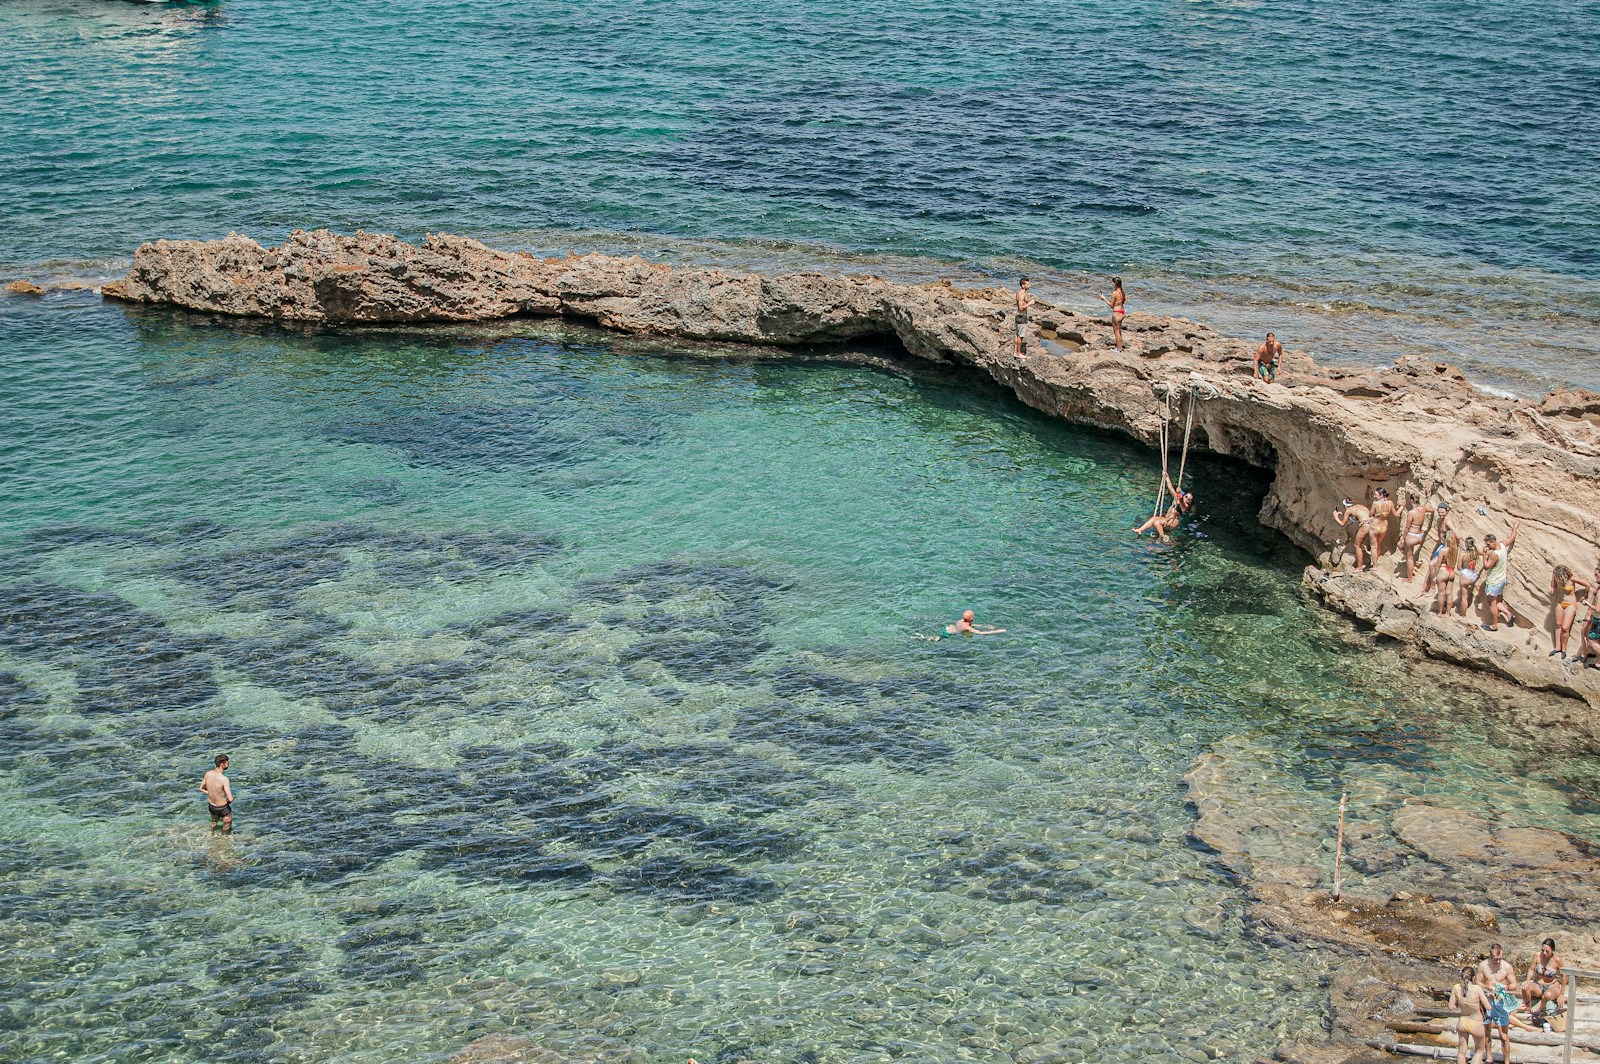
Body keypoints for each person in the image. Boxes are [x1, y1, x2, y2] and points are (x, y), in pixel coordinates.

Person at [1479, 944, 1534, 1063]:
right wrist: (1488, 987)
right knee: (1486, 1031)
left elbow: (1514, 985)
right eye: (1495, 959)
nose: (1497, 961)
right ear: (1490, 955)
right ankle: (1489, 1056)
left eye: (1500, 958)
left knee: (1503, 1035)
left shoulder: (1507, 967)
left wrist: (1505, 986)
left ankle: (1507, 1061)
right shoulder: (1483, 966)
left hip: (1501, 1004)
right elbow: (1477, 982)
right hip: (1487, 1001)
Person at [1480, 519, 1523, 632]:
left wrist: (1484, 555)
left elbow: (1487, 566)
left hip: (1493, 582)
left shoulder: (1494, 555)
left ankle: (1494, 625)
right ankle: (1509, 615)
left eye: (1488, 544)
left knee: (1492, 603)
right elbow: (1512, 538)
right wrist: (1515, 526)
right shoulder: (1503, 546)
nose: (1487, 546)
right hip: (1502, 580)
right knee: (1496, 601)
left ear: (1493, 542)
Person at [1132, 470, 1194, 543]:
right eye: (1186, 496)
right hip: (1166, 519)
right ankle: (1140, 530)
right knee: (1153, 518)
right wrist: (1167, 478)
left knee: (1156, 523)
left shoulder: (1185, 506)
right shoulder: (1177, 498)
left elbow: (1181, 502)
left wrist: (1179, 493)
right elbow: (1170, 488)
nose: (1186, 498)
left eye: (1189, 499)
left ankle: (1162, 536)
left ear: (1189, 501)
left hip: (1172, 522)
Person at [1549, 564, 1591, 658]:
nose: (1559, 579)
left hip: (1570, 604)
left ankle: (1564, 649)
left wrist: (1585, 595)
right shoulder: (1557, 575)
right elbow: (1553, 575)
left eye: (1560, 577)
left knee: (1565, 627)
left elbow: (1587, 585)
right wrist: (1553, 587)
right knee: (1558, 625)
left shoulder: (1572, 579)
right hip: (1559, 603)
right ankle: (1557, 647)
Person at [1450, 964, 1489, 1064]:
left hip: (1462, 1022)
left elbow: (1451, 1007)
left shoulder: (1456, 988)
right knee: (1479, 1051)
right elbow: (1488, 1007)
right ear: (1474, 977)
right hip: (1476, 1023)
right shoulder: (1477, 989)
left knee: (1461, 1051)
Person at [1521, 938, 1565, 1021]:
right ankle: (1528, 1006)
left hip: (1552, 985)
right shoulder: (1537, 955)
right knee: (1524, 987)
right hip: (1538, 985)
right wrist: (1527, 980)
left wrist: (1561, 994)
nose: (1544, 953)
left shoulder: (1557, 960)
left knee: (1547, 995)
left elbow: (1564, 976)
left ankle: (1540, 1008)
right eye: (1543, 950)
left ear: (1552, 950)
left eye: (1547, 951)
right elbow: (1531, 969)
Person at [1421, 503, 1461, 593]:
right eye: (1439, 512)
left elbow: (1458, 536)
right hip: (1442, 545)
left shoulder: (1448, 522)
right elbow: (1440, 532)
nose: (1440, 514)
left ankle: (1433, 586)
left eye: (1442, 512)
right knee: (1431, 566)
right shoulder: (1439, 520)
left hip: (1447, 546)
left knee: (1432, 564)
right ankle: (1423, 589)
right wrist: (1440, 540)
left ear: (1447, 511)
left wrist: (1454, 547)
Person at [1333, 496, 1375, 572]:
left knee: (1357, 545)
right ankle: (1375, 565)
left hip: (1365, 525)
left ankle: (1359, 567)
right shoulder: (1361, 506)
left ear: (1345, 505)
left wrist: (1336, 517)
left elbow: (1343, 524)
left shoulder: (1348, 510)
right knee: (1374, 545)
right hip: (1373, 523)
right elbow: (1357, 516)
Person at [1400, 493, 1432, 580]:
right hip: (1419, 536)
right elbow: (1433, 510)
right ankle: (1412, 561)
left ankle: (1409, 578)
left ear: (1411, 500)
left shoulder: (1411, 512)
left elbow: (1407, 527)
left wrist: (1403, 538)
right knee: (1409, 555)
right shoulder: (1423, 509)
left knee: (1408, 556)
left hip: (1411, 536)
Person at [200, 753, 234, 832]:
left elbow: (201, 788)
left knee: (213, 822)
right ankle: (224, 841)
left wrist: (211, 793)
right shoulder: (224, 779)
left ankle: (211, 835)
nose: (228, 765)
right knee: (227, 826)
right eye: (227, 763)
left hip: (212, 807)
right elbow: (231, 798)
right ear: (222, 764)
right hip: (223, 808)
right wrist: (227, 802)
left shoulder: (208, 774)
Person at [1576, 565, 1600, 666]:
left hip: (1597, 619)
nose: (1596, 577)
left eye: (1597, 575)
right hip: (1595, 617)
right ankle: (1591, 659)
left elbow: (1598, 609)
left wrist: (1587, 603)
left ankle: (1585, 655)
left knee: (1592, 640)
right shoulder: (1598, 587)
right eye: (1595, 575)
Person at [1432, 534, 1459, 616]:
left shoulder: (1443, 550)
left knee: (1441, 593)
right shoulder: (1455, 550)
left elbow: (1438, 564)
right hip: (1451, 571)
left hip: (1443, 571)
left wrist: (1434, 576)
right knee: (1449, 593)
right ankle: (1448, 613)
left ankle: (1440, 612)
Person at [1098, 277, 1127, 351]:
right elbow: (1125, 300)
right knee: (1119, 331)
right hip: (1122, 311)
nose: (1112, 283)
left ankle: (1118, 349)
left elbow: (1111, 305)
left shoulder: (1114, 293)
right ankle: (1120, 347)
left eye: (1112, 282)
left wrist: (1104, 298)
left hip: (1117, 313)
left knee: (1116, 332)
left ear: (1115, 283)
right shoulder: (1122, 291)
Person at [1456, 537, 1482, 617]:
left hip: (1466, 574)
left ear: (1466, 544)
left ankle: (1463, 614)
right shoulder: (1476, 553)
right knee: (1468, 594)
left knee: (1464, 596)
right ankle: (1464, 609)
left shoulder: (1463, 554)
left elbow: (1459, 567)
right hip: (1473, 575)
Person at [1368, 488, 1396, 561]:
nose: (1374, 496)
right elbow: (1396, 514)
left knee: (1373, 547)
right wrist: (1402, 506)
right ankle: (1376, 560)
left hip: (1375, 526)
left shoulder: (1375, 503)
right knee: (1378, 544)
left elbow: (1370, 514)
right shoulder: (1390, 503)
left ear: (1381, 495)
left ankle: (1375, 566)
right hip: (1383, 527)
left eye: (1376, 494)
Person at [1013, 278, 1035, 357]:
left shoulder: (1019, 293)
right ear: (1023, 285)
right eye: (1027, 284)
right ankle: (1019, 353)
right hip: (1022, 316)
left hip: (1018, 316)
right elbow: (1021, 307)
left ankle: (1015, 352)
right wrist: (1030, 303)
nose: (1029, 285)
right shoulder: (1022, 294)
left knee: (1017, 335)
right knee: (1021, 336)